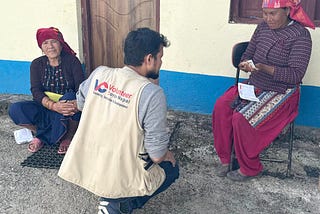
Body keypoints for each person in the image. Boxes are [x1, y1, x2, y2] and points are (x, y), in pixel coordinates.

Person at [58, 27, 179, 213]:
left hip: (90, 159)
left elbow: (80, 103)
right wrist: (166, 154)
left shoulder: (100, 74)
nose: (161, 62)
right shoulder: (152, 94)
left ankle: (112, 198)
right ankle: (121, 204)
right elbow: (156, 154)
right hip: (120, 169)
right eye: (160, 57)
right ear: (149, 59)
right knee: (171, 167)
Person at [212, 0, 314, 182]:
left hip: (282, 91)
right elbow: (247, 54)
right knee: (222, 106)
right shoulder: (262, 28)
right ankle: (227, 158)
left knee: (241, 118)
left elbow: (295, 75)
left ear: (287, 11)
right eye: (265, 14)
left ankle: (250, 167)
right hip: (255, 83)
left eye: (272, 14)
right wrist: (246, 64)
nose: (268, 19)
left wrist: (265, 68)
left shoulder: (301, 35)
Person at [8, 27, 85, 154]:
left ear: (60, 44)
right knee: (16, 109)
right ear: (41, 48)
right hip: (45, 106)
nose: (50, 46)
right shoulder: (36, 64)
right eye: (45, 43)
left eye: (54, 41)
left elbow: (80, 88)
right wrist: (53, 105)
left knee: (72, 98)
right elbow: (36, 90)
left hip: (66, 109)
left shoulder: (72, 61)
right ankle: (41, 134)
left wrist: (67, 104)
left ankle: (67, 136)